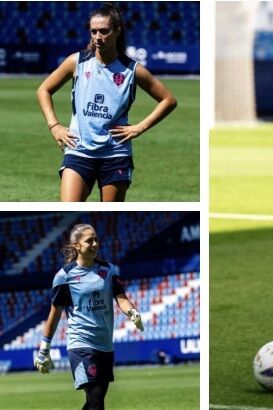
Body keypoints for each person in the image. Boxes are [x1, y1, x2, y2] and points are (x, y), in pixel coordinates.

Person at [36, 3, 177, 202]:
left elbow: (168, 100)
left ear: (117, 30)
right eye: (93, 31)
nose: (97, 37)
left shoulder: (132, 70)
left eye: (104, 31)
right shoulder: (76, 62)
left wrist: (139, 128)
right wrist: (54, 125)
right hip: (79, 150)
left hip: (115, 154)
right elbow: (44, 89)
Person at [34, 223, 145, 410]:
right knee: (96, 398)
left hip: (105, 345)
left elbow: (121, 298)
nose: (95, 244)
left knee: (95, 400)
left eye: (96, 239)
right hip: (81, 344)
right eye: (89, 241)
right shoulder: (64, 276)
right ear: (76, 245)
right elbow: (55, 313)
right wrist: (44, 349)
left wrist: (132, 312)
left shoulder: (109, 270)